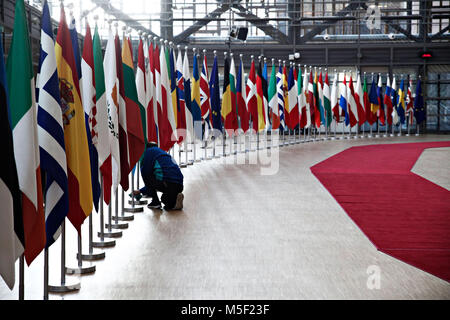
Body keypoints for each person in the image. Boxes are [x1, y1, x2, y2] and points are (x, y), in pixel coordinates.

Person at [133, 142, 184, 210]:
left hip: (168, 183)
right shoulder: (162, 153)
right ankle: (175, 197)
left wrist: (140, 191)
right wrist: (141, 191)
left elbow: (146, 174)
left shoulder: (148, 152)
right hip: (179, 184)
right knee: (165, 198)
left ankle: (155, 202)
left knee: (145, 172)